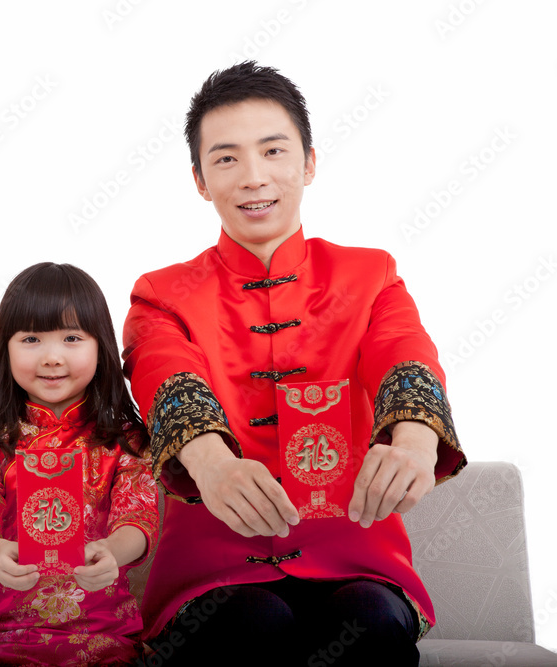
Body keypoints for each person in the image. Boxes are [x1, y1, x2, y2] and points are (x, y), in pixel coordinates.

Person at [122, 62, 466, 666]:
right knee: (256, 625)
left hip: (359, 558)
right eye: (226, 158)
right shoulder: (160, 294)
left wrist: (413, 438)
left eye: (273, 151)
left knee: (371, 623)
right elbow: (165, 376)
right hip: (213, 570)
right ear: (200, 180)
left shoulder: (371, 274)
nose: (254, 177)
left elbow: (404, 350)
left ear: (308, 163)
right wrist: (209, 460)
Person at [0, 262, 159, 666]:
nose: (51, 357)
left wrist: (111, 552)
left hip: (106, 633)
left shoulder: (124, 442)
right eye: (31, 338)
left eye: (71, 338)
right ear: (4, 350)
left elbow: (138, 517)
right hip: (11, 634)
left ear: (100, 346)